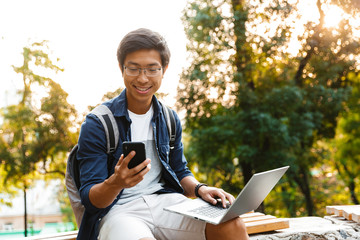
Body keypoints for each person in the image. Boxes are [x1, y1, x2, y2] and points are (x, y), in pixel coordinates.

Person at [76, 28, 249, 240]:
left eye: (151, 69)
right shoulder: (98, 123)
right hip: (119, 212)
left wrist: (200, 189)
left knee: (231, 224)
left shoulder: (169, 118)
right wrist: (116, 182)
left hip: (166, 204)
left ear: (164, 69)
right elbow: (91, 200)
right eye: (134, 69)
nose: (142, 78)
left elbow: (179, 170)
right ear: (121, 68)